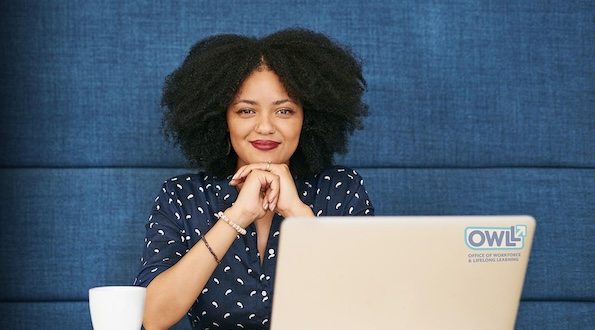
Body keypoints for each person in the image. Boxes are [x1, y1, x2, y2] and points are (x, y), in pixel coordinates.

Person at [134, 28, 374, 330]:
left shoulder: (341, 190)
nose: (265, 127)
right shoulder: (182, 196)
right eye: (246, 110)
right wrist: (237, 216)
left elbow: (368, 306)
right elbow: (152, 317)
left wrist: (299, 215)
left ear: (308, 119)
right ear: (222, 119)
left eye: (284, 111)